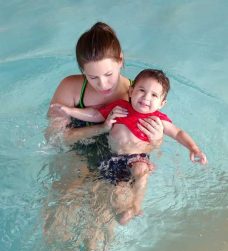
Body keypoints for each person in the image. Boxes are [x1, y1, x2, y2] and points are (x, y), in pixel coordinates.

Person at [51, 69, 208, 224]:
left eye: (154, 95)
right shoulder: (119, 107)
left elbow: (178, 133)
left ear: (162, 103)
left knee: (141, 170)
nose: (146, 97)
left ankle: (136, 205)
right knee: (113, 192)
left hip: (137, 158)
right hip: (111, 158)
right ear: (131, 91)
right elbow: (94, 114)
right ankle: (121, 213)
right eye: (141, 90)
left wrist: (194, 148)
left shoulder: (158, 120)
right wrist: (70, 110)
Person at [46, 22, 164, 150]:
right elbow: (54, 137)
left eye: (108, 74)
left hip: (120, 152)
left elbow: (146, 147)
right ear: (83, 71)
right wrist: (101, 128)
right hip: (78, 149)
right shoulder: (70, 88)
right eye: (93, 77)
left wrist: (156, 140)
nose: (102, 85)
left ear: (120, 60)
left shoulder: (139, 94)